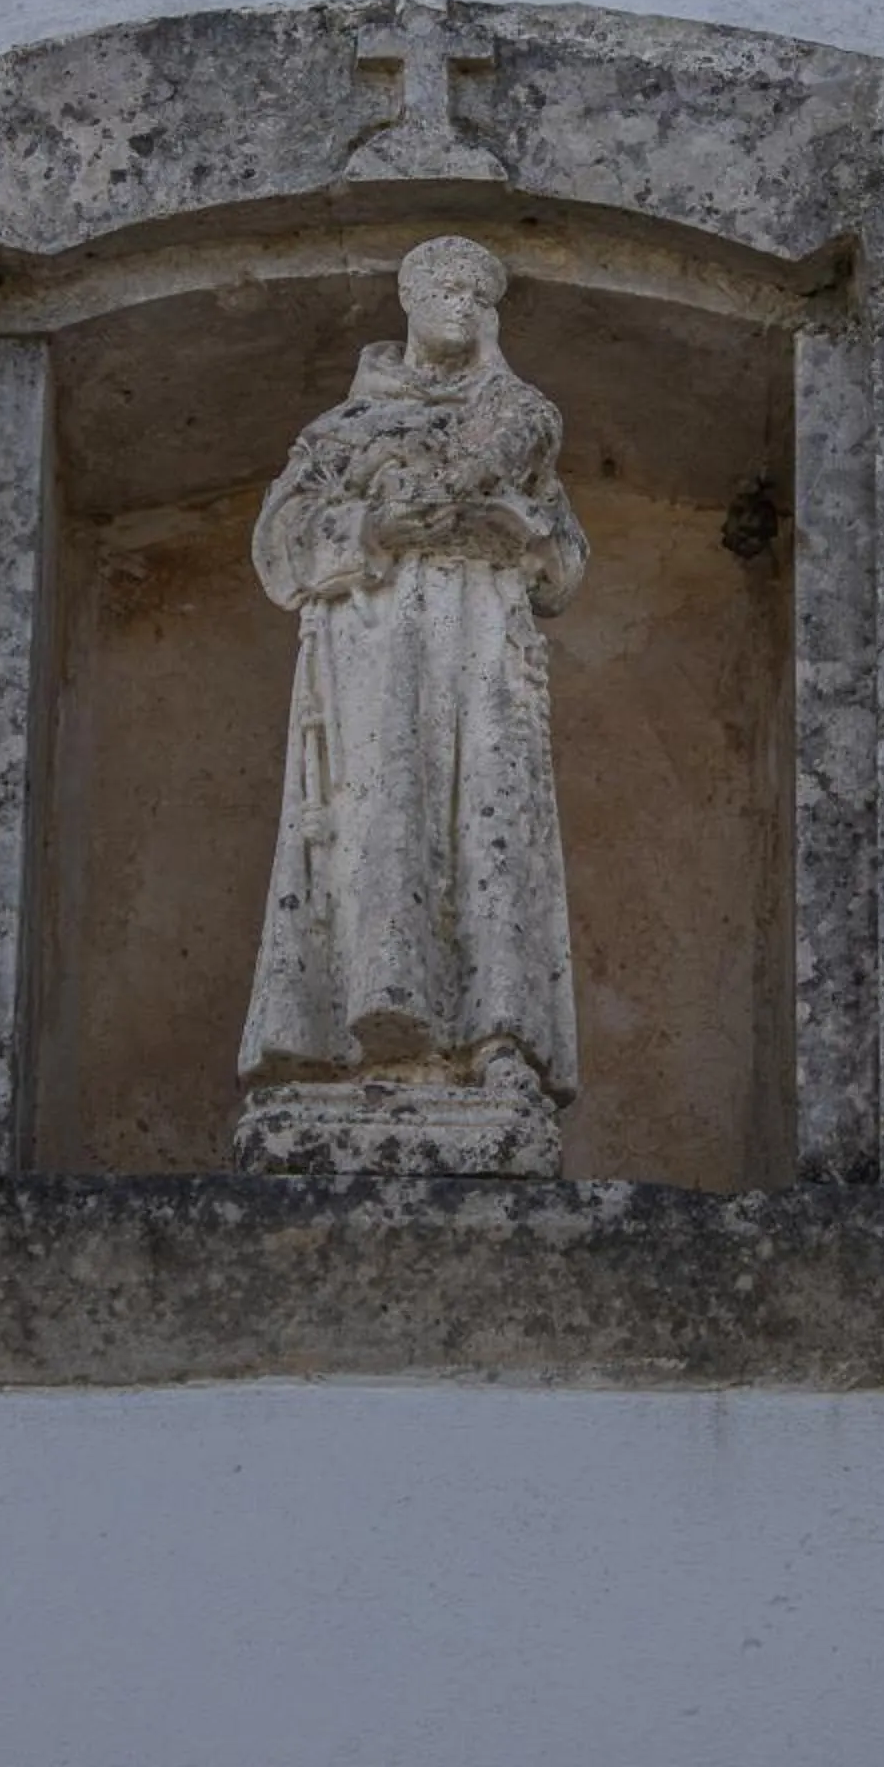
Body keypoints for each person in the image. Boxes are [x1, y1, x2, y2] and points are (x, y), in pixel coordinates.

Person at [238, 235, 587, 1111]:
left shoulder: (518, 420)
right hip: (376, 633)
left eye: (477, 292)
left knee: (491, 816)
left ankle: (500, 1036)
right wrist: (380, 528)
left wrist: (528, 534)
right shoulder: (344, 431)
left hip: (484, 637)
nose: (460, 304)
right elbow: (283, 547)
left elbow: (567, 561)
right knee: (375, 812)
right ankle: (357, 1034)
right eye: (443, 288)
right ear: (409, 299)